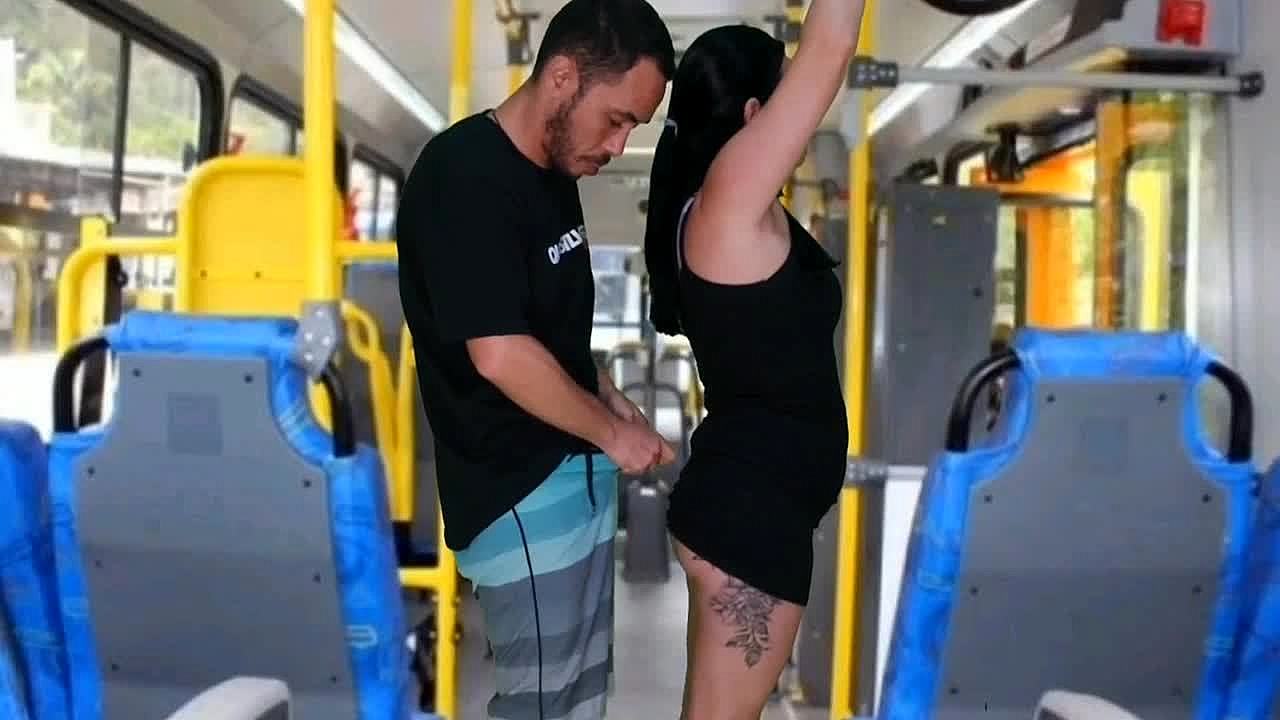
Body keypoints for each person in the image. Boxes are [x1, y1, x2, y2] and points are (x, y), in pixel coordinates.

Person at [395, 1, 677, 718]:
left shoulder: (552, 176)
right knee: (543, 707)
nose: (617, 145)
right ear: (562, 76)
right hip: (516, 491)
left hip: (568, 475)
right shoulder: (464, 177)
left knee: (577, 698)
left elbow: (546, 333)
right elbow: (500, 354)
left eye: (633, 128)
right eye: (615, 120)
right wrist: (613, 435)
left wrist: (607, 396)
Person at [641, 2, 865, 717]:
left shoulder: (726, 207)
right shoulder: (728, 198)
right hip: (750, 520)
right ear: (754, 113)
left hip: (749, 511)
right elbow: (829, 48)